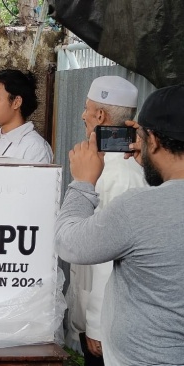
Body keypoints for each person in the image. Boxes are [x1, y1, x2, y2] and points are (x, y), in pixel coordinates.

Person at [55, 85, 184, 365]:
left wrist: (82, 183)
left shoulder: (137, 206)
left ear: (153, 140)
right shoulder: (150, 197)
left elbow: (70, 244)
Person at [66, 75, 146, 365]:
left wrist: (98, 325)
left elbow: (109, 259)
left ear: (100, 115)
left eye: (87, 109)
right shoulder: (104, 164)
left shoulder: (122, 174)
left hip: (111, 323)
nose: (83, 115)